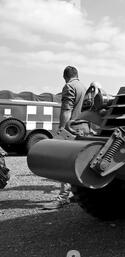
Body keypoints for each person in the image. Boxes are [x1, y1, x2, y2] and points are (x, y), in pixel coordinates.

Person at [43, 66, 87, 210]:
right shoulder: (84, 87)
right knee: (79, 163)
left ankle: (62, 198)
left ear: (65, 77)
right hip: (84, 129)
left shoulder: (69, 86)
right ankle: (77, 193)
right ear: (77, 75)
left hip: (71, 129)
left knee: (65, 163)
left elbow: (66, 109)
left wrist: (62, 129)